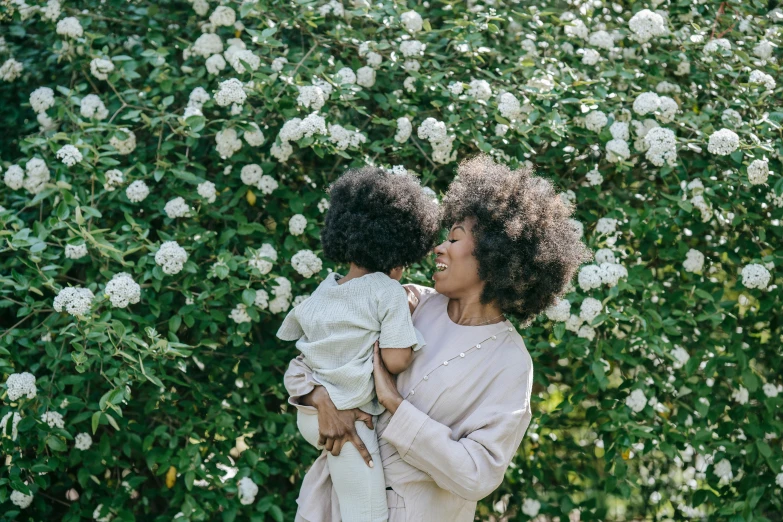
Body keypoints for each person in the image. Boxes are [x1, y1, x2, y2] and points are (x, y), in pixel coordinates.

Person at [284, 154, 593, 521]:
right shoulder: (407, 302)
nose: (438, 248)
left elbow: (477, 474)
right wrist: (322, 401)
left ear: (496, 256)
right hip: (328, 507)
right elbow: (313, 358)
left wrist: (396, 405)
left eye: (454, 238)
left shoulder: (510, 363)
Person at [277, 166, 441, 522]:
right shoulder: (388, 291)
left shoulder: (326, 289)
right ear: (400, 252)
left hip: (309, 411)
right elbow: (396, 361)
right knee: (366, 512)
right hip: (348, 418)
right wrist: (403, 335)